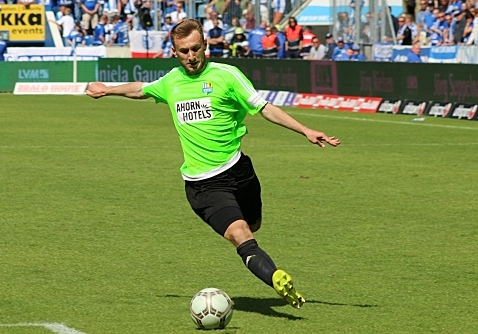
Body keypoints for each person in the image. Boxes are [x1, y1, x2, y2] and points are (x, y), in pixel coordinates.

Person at [85, 19, 340, 308]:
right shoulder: (171, 82)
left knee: (253, 224)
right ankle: (278, 279)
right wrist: (108, 89)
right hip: (203, 184)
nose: (191, 56)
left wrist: (305, 130)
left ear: (206, 45)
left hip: (240, 171)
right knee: (240, 234)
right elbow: (141, 89)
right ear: (174, 51)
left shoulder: (228, 76)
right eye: (184, 51)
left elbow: (264, 108)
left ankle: (263, 263)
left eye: (195, 49)